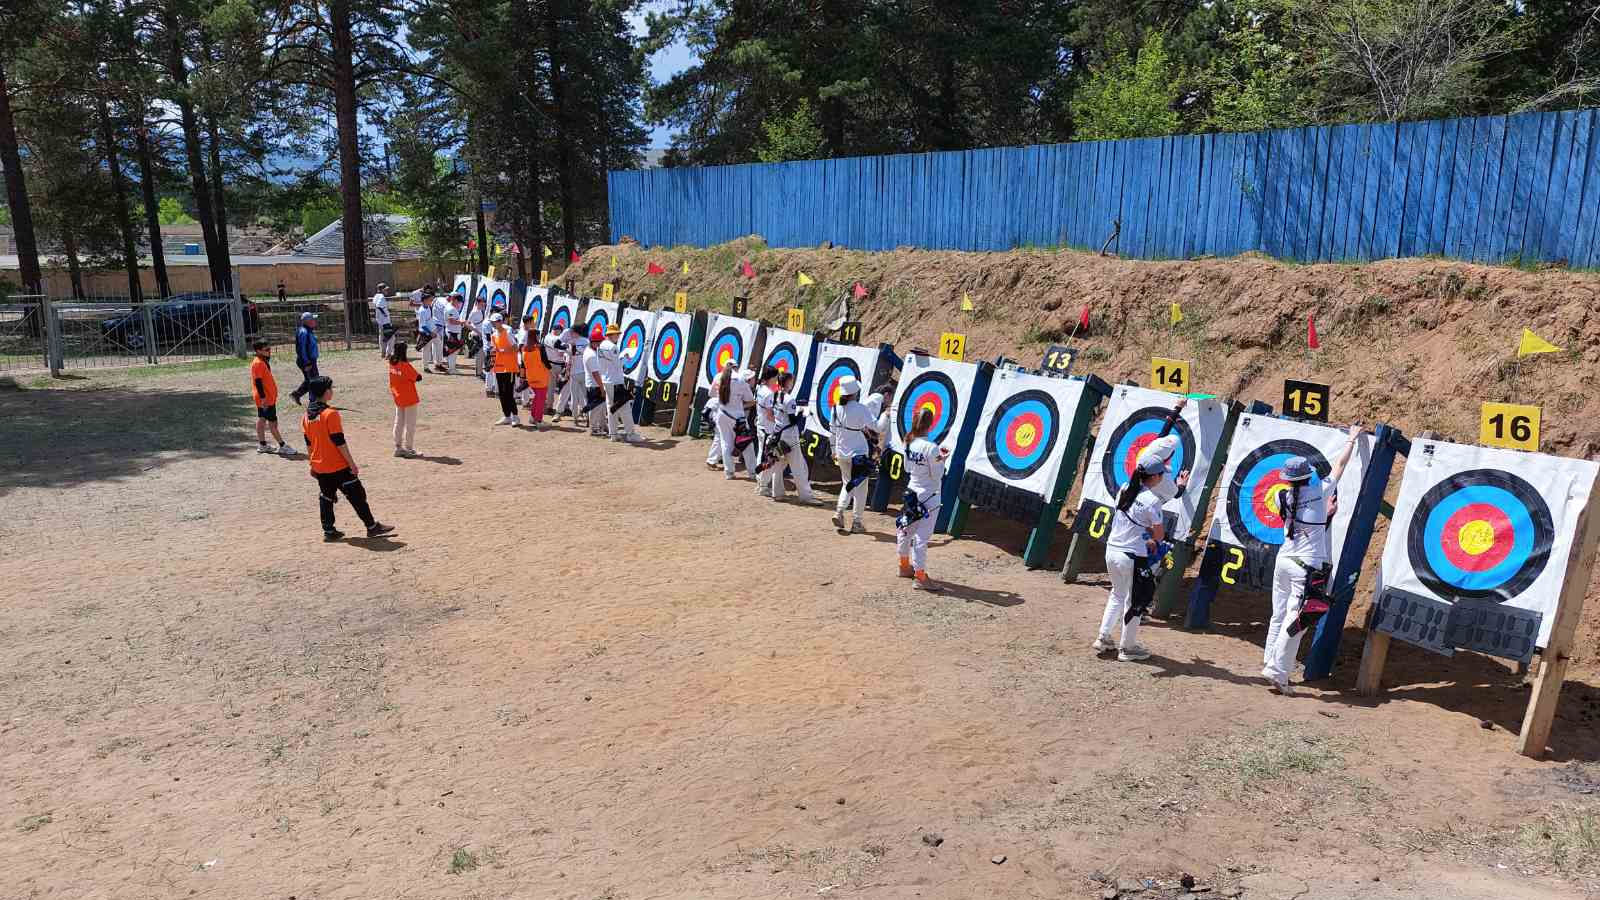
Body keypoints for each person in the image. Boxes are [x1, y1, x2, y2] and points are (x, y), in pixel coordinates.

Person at [1263, 423, 1363, 695]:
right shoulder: (1319, 491)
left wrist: (1324, 516)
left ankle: (1269, 661)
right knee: (1296, 622)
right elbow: (1339, 467)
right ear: (1308, 477)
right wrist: (1352, 440)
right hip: (1304, 567)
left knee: (1279, 614)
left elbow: (1298, 518)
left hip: (1284, 561)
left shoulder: (1283, 496)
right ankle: (1277, 672)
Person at [1094, 455, 1190, 662]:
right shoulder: (1152, 501)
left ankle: (1103, 637)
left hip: (1112, 551)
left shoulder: (1125, 488)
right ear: (1154, 476)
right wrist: (1153, 541)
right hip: (1130, 557)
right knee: (1134, 601)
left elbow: (1132, 518)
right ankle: (1127, 648)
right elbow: (1159, 535)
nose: (1163, 478)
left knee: (1117, 594)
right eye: (1162, 474)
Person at [300, 376, 393, 542]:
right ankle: (372, 527)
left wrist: (312, 464)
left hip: (320, 467)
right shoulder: (331, 414)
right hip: (338, 466)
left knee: (326, 497)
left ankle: (329, 531)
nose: (332, 390)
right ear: (325, 392)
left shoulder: (306, 416)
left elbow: (309, 444)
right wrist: (352, 464)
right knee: (357, 495)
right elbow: (339, 442)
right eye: (330, 388)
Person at [896, 408, 948, 591]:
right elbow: (937, 475)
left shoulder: (909, 441)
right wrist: (941, 460)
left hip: (912, 492)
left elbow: (908, 468)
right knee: (922, 537)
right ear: (931, 424)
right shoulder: (931, 447)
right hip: (930, 496)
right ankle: (919, 576)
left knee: (905, 529)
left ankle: (904, 565)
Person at [755, 368, 817, 502]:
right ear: (788, 383)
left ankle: (772, 490)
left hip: (778, 434)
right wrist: (803, 412)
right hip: (789, 436)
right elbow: (793, 420)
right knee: (798, 466)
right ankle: (806, 496)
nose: (792, 384)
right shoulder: (789, 399)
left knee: (778, 463)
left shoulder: (775, 395)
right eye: (791, 381)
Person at [828, 375, 878, 532]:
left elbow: (832, 433)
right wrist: (886, 416)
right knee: (861, 488)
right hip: (859, 455)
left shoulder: (835, 408)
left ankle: (839, 511)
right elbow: (875, 426)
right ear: (855, 392)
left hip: (842, 453)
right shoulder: (861, 408)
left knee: (847, 483)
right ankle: (856, 522)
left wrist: (833, 450)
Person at [713, 363, 759, 479]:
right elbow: (750, 400)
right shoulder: (740, 381)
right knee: (747, 445)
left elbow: (712, 394)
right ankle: (753, 473)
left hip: (722, 415)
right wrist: (742, 404)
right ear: (735, 368)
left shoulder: (720, 378)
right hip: (738, 418)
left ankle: (729, 473)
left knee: (726, 444)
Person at [249, 340, 293, 456]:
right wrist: (263, 398)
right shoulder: (258, 363)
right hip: (265, 399)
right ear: (258, 351)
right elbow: (258, 382)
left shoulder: (262, 361)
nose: (269, 352)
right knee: (273, 422)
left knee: (262, 419)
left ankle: (262, 445)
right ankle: (282, 446)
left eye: (270, 349)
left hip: (266, 398)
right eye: (267, 350)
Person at [597, 323, 637, 442]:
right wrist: (626, 357)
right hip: (616, 381)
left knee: (611, 407)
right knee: (625, 408)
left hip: (606, 380)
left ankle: (613, 434)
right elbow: (618, 364)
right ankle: (631, 434)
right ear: (612, 334)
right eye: (617, 334)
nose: (618, 336)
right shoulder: (613, 347)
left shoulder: (601, 345)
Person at [388, 341, 422, 457]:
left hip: (398, 396)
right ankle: (409, 448)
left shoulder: (392, 363)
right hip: (409, 398)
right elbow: (418, 377)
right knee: (410, 424)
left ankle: (398, 447)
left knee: (398, 422)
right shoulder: (405, 365)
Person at [518, 313, 551, 428]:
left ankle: (533, 417)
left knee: (537, 397)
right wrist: (550, 368)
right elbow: (546, 362)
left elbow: (523, 364)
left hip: (531, 377)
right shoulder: (540, 347)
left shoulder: (524, 349)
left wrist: (523, 377)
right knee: (540, 399)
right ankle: (538, 420)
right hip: (541, 376)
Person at [488, 313, 521, 426]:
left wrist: (504, 351)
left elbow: (516, 347)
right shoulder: (494, 335)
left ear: (500, 321)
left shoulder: (507, 332)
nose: (494, 324)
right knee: (501, 393)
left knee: (508, 393)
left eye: (495, 322)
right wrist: (492, 358)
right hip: (499, 367)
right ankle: (507, 416)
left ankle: (515, 417)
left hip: (509, 367)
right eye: (492, 322)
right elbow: (494, 349)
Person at [289, 311, 320, 405]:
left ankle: (297, 394)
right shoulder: (304, 332)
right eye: (313, 319)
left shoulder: (308, 331)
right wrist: (307, 362)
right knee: (313, 381)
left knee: (310, 380)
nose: (315, 321)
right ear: (308, 321)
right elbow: (302, 349)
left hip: (310, 360)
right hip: (306, 361)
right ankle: (313, 402)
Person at [581, 330, 607, 436]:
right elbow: (595, 374)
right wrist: (602, 388)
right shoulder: (591, 355)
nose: (601, 344)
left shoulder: (590, 351)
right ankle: (593, 428)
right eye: (599, 342)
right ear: (594, 342)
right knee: (596, 408)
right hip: (594, 385)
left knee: (600, 407)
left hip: (593, 384)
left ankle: (602, 426)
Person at [432, 290, 458, 374]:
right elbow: (449, 317)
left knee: (435, 345)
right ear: (452, 298)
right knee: (439, 345)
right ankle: (438, 364)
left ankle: (437, 363)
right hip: (439, 325)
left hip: (434, 323)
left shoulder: (438, 298)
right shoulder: (447, 304)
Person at [412, 292, 436, 369]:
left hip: (431, 331)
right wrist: (430, 333)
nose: (431, 301)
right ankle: (425, 367)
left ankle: (434, 363)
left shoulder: (428, 307)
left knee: (429, 349)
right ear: (425, 300)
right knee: (426, 350)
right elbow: (423, 325)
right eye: (430, 300)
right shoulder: (422, 311)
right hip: (425, 333)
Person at [372, 284, 395, 358]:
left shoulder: (376, 296)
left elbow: (377, 305)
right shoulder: (381, 297)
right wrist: (384, 314)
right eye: (385, 289)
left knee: (382, 337)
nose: (387, 291)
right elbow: (379, 306)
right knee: (391, 338)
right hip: (385, 321)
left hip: (380, 321)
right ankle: (388, 353)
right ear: (381, 290)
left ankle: (383, 352)